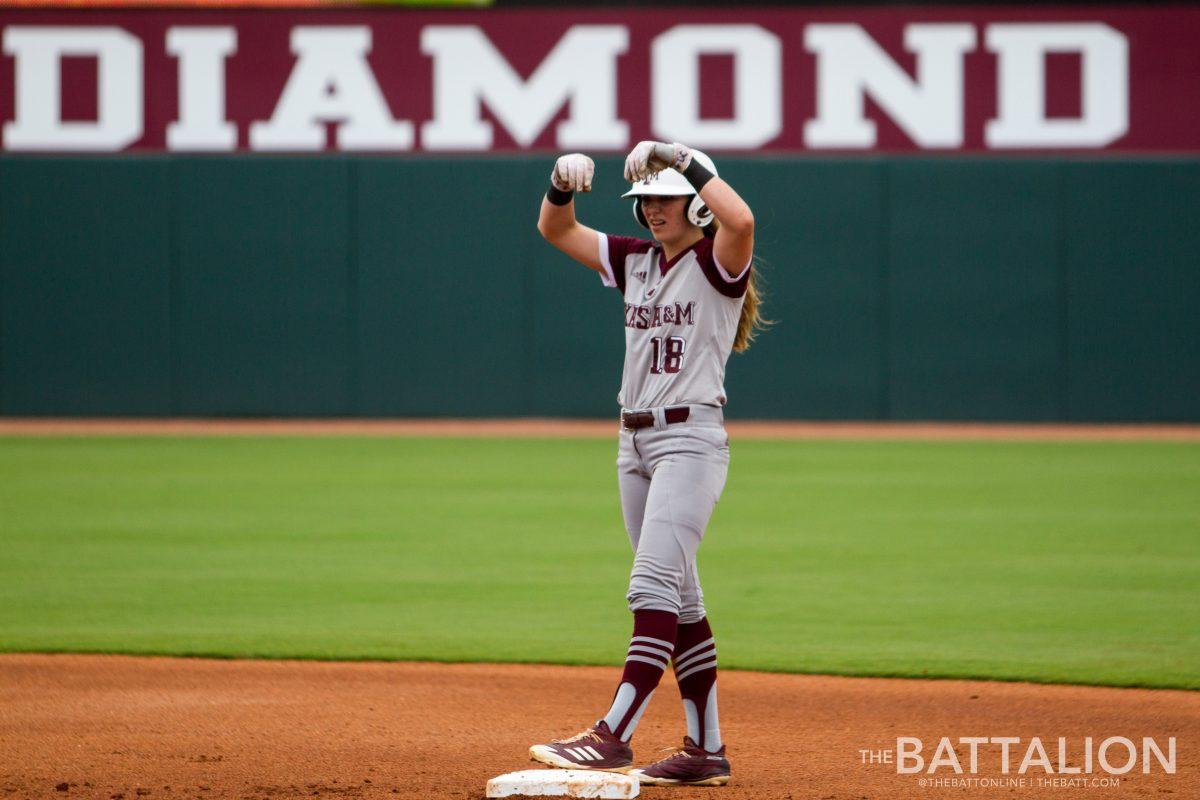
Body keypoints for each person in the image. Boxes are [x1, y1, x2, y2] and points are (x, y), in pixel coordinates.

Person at [527, 141, 766, 788]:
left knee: (650, 588)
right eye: (644, 200)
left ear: (693, 202)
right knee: (681, 601)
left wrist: (683, 161)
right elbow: (556, 228)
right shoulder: (636, 261)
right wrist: (559, 184)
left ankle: (614, 735)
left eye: (662, 198)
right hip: (632, 444)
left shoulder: (718, 261)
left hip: (689, 442)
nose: (651, 210)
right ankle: (705, 750)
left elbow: (741, 221)